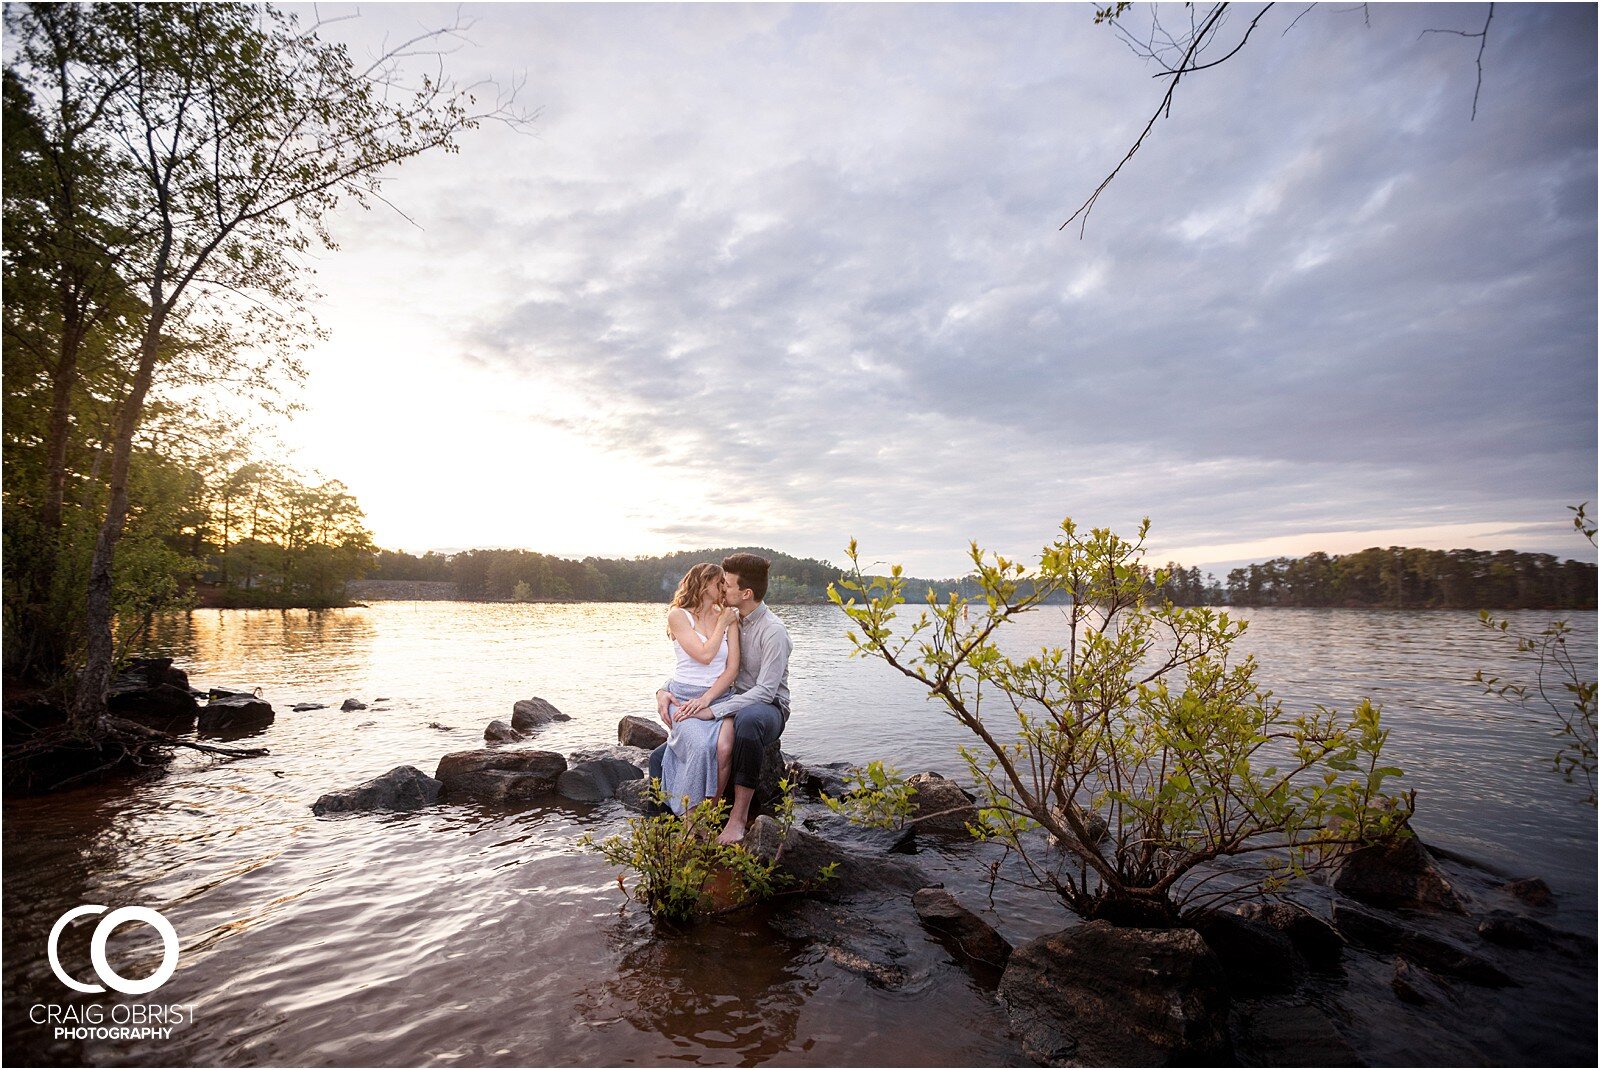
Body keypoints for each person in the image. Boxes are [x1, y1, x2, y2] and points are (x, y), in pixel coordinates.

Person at [650, 552, 791, 845]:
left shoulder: (773, 631)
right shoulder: (730, 617)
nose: (724, 589)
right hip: (723, 698)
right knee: (658, 757)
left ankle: (736, 819)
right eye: (721, 584)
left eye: (726, 584)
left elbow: (764, 691)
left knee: (746, 726)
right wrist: (664, 691)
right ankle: (665, 824)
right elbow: (697, 666)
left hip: (766, 705)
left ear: (746, 592)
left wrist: (713, 709)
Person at [657, 563, 742, 815]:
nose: (724, 588)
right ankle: (690, 816)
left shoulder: (728, 617)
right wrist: (721, 624)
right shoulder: (678, 615)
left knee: (723, 748)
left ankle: (709, 816)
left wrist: (707, 699)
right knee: (702, 747)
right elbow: (704, 655)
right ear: (705, 584)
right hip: (684, 698)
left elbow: (732, 668)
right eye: (720, 583)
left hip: (718, 698)